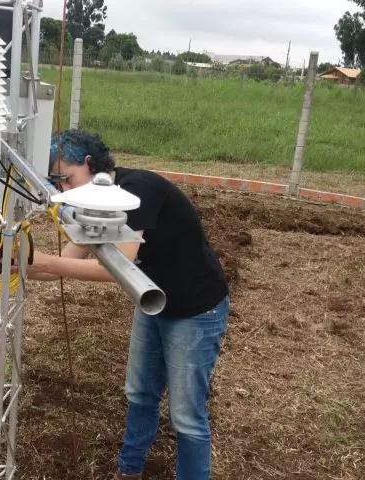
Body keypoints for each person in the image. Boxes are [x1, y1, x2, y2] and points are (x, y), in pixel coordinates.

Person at [26, 129, 229, 480]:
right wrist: (23, 261)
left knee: (186, 416)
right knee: (140, 392)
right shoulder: (93, 199)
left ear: (89, 164)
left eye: (67, 179)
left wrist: (47, 263)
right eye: (57, 184)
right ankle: (129, 470)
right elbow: (61, 260)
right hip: (152, 302)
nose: (64, 191)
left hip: (196, 309)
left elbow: (120, 268)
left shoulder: (137, 192)